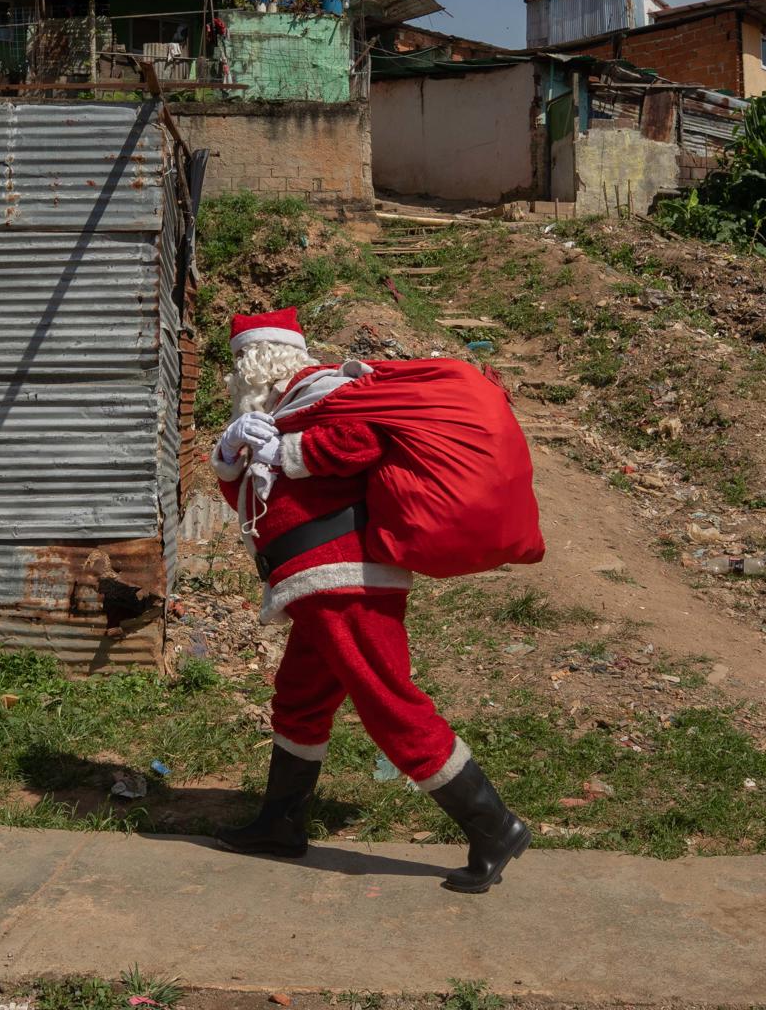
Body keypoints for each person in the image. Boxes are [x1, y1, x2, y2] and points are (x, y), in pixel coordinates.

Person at [208, 307, 531, 893]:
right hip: (312, 581)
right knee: (301, 698)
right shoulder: (278, 411)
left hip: (345, 576)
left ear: (265, 362)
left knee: (387, 700)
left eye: (243, 366)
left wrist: (284, 452)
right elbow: (256, 501)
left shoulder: (330, 391)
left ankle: (494, 825)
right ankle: (280, 825)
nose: (239, 377)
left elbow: (363, 442)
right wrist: (232, 456)